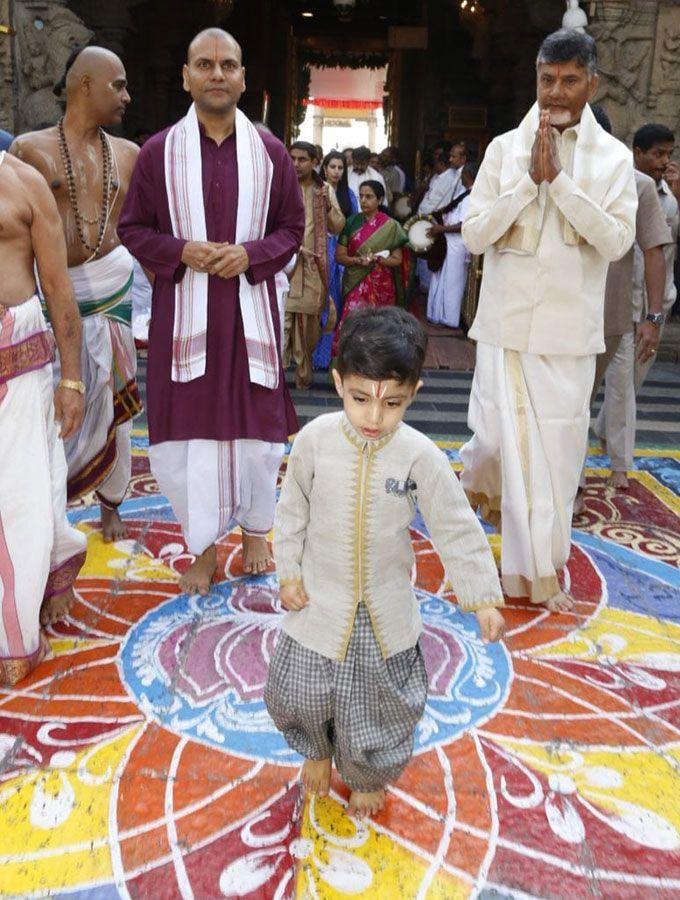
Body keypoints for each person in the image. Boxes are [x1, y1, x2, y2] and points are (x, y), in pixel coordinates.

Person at [265, 306, 505, 817]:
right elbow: (291, 511)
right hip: (317, 602)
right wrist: (288, 573)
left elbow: (455, 524)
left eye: (392, 403)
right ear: (338, 382)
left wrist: (482, 597)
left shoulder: (420, 455)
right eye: (360, 399)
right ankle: (317, 750)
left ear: (413, 393)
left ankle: (368, 774)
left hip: (384, 613)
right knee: (302, 693)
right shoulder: (314, 441)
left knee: (378, 706)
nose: (374, 418)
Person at [118, 28, 304, 594]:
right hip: (184, 322)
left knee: (258, 438)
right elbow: (132, 228)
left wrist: (251, 255)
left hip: (252, 319)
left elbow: (292, 229)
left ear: (243, 78)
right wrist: (182, 252)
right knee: (185, 443)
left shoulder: (271, 153)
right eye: (204, 64)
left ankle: (255, 530)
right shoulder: (158, 153)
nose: (217, 73)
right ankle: (201, 546)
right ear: (186, 77)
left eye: (228, 65)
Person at [460, 29, 637, 612]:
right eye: (546, 79)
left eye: (569, 80)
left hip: (567, 338)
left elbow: (617, 241)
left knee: (555, 462)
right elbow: (474, 235)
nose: (556, 92)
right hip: (504, 328)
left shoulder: (614, 160)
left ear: (592, 83)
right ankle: (487, 493)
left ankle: (536, 572)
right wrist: (526, 184)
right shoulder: (503, 150)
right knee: (493, 446)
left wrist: (559, 184)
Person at [11, 47, 142, 543]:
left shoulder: (129, 155)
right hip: (50, 295)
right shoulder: (28, 149)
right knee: (44, 404)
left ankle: (111, 504)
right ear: (84, 85)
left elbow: (147, 230)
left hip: (111, 291)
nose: (127, 96)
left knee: (114, 405)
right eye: (118, 85)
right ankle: (46, 509)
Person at [0, 151, 87, 685]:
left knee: (23, 496)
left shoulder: (23, 182)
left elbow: (57, 286)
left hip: (20, 364)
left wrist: (71, 380)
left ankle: (14, 632)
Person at [576, 111, 671, 502]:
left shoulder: (639, 185)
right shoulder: (556, 178)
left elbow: (655, 250)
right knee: (572, 401)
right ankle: (574, 481)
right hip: (564, 314)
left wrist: (653, 317)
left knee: (616, 392)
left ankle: (616, 464)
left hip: (617, 313)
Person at [285, 142, 345, 388]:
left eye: (302, 160)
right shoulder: (280, 186)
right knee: (282, 321)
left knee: (308, 325)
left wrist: (327, 205)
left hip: (313, 267)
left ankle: (303, 372)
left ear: (314, 162)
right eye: (292, 159)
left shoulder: (324, 190)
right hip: (284, 266)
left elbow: (338, 226)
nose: (296, 164)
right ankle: (276, 377)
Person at [333, 180, 408, 354]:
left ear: (380, 200)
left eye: (369, 197)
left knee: (380, 328)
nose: (363, 200)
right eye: (361, 196)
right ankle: (347, 364)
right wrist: (358, 261)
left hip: (382, 285)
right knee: (351, 324)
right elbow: (339, 257)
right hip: (355, 282)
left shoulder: (391, 226)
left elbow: (397, 259)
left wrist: (377, 259)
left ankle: (377, 364)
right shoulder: (351, 222)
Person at [312, 150, 359, 370]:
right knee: (319, 302)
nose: (336, 171)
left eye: (340, 168)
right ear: (324, 168)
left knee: (336, 303)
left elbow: (353, 226)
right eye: (332, 167)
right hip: (319, 250)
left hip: (341, 251)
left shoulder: (349, 195)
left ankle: (331, 354)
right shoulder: (316, 191)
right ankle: (313, 354)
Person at [426, 162, 477, 328]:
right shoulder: (465, 193)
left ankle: (449, 318)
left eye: (462, 174)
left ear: (467, 175)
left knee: (452, 283)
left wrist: (441, 229)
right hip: (449, 242)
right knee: (443, 279)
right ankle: (438, 314)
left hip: (457, 244)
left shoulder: (472, 197)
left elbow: (464, 225)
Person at [416, 143, 460, 294]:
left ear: (441, 163)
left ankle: (426, 286)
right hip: (425, 218)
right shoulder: (438, 177)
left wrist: (425, 216)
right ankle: (424, 285)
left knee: (429, 253)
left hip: (433, 220)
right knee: (423, 252)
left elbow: (438, 202)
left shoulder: (450, 177)